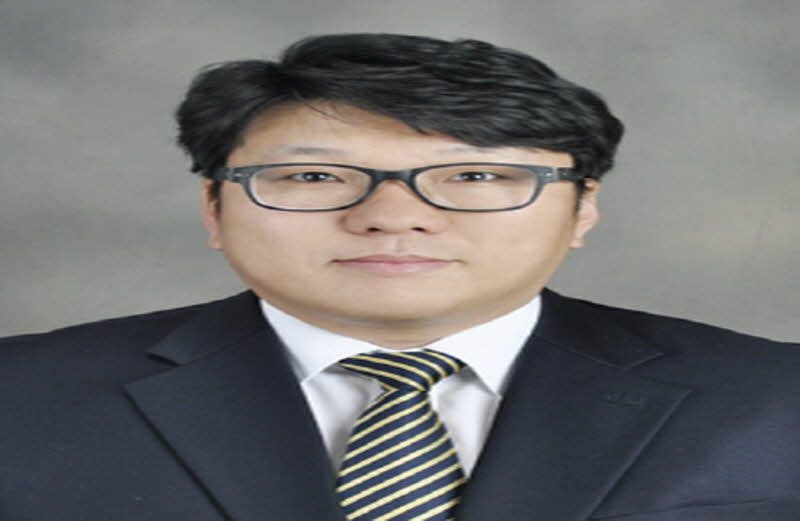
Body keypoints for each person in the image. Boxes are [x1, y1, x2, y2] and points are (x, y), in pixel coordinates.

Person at [1, 33, 797, 521]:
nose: (393, 217)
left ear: (582, 208)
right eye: (314, 177)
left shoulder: (775, 399)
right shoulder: (21, 399)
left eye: (475, 177)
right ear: (214, 206)